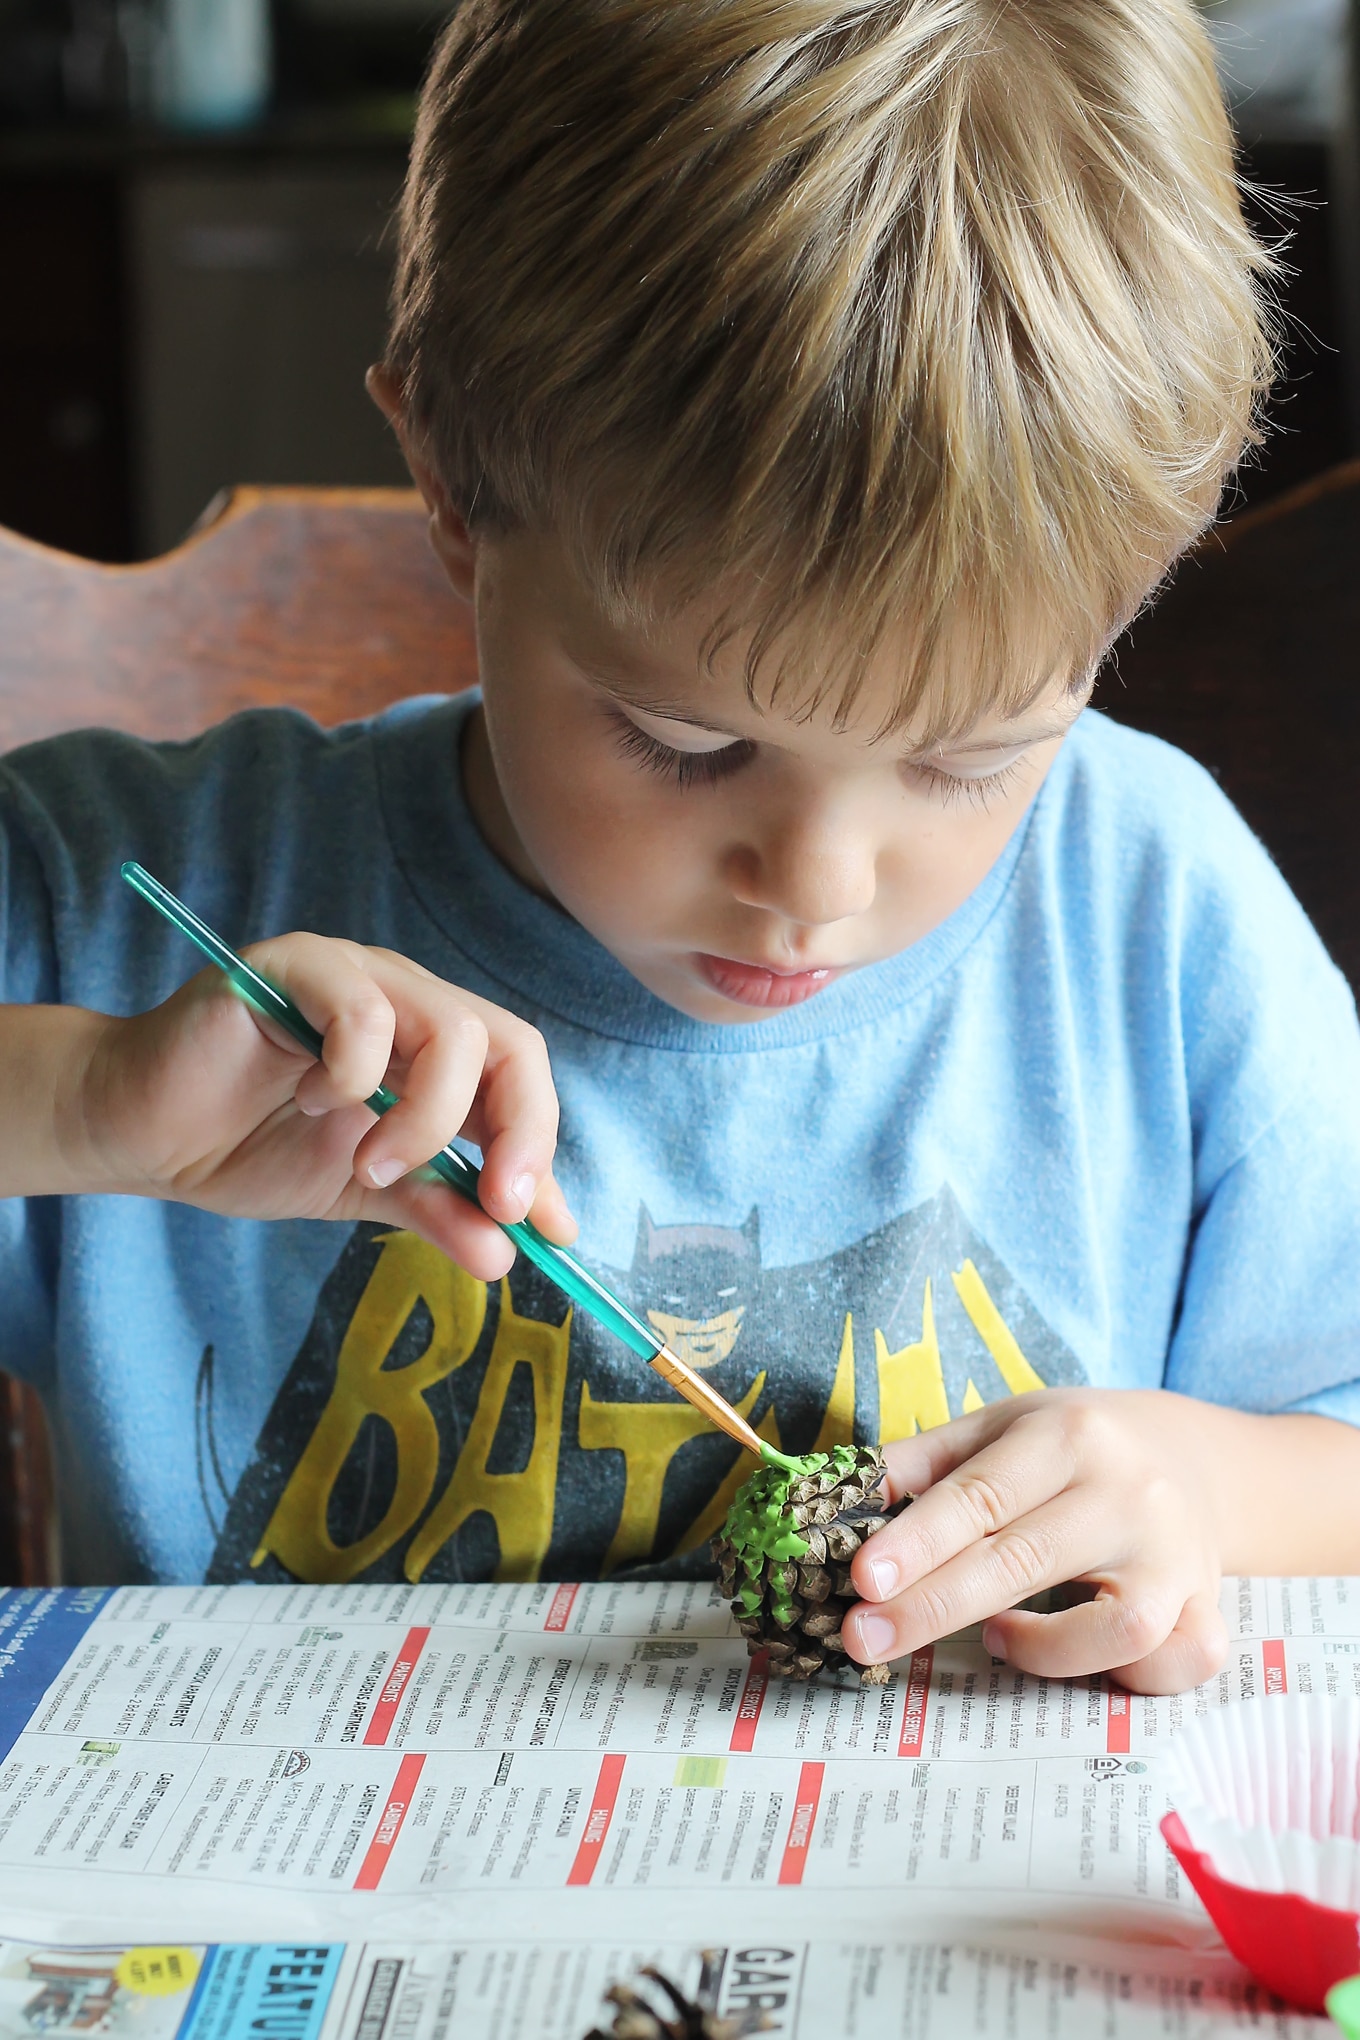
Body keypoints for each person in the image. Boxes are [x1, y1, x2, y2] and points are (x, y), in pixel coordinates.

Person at [2, 0, 1358, 1694]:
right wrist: (73, 1102)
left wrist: (1201, 1487)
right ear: (450, 482)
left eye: (970, 758)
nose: (819, 886)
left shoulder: (1153, 915)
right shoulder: (118, 911)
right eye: (689, 742)